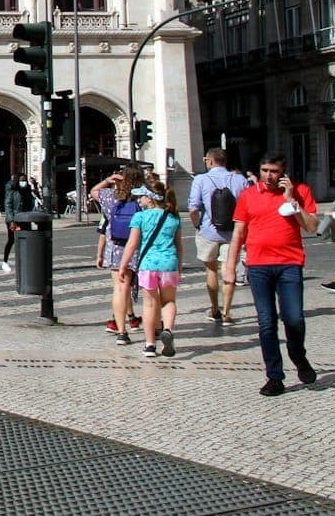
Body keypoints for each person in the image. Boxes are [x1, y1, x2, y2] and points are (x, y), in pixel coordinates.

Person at [223, 153, 318, 396]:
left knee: (294, 318)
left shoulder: (301, 192)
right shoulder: (248, 195)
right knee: (266, 323)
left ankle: (298, 355)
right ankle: (274, 376)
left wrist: (291, 200)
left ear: (283, 172)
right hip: (258, 267)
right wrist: (230, 266)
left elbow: (311, 226)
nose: (268, 175)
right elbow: (238, 233)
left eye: (274, 171)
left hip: (289, 264)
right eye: (264, 170)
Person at [119, 177, 182, 358]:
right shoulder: (173, 217)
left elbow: (132, 244)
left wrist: (123, 266)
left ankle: (149, 345)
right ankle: (167, 330)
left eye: (142, 197)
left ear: (150, 198)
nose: (139, 200)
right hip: (169, 264)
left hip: (148, 265)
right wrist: (180, 265)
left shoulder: (140, 217)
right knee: (169, 301)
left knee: (150, 304)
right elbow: (179, 245)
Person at [188, 147, 248, 325]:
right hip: (233, 233)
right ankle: (227, 313)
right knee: (229, 271)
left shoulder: (201, 179)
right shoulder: (240, 179)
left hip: (208, 231)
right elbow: (247, 206)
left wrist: (197, 225)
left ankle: (214, 309)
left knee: (211, 270)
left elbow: (193, 208)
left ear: (211, 161)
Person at [97, 170, 143, 343]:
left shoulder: (110, 197)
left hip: (115, 246)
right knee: (129, 288)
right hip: (135, 246)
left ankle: (121, 331)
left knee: (119, 288)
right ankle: (150, 324)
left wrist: (108, 180)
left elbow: (94, 191)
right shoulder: (140, 197)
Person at [0, 173, 34, 274]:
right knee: (12, 240)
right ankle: (5, 262)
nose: (24, 182)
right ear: (17, 180)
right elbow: (8, 205)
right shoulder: (12, 190)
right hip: (15, 218)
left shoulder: (27, 189)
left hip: (25, 218)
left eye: (25, 180)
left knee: (28, 240)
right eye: (22, 180)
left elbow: (30, 203)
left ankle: (26, 262)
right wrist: (11, 221)